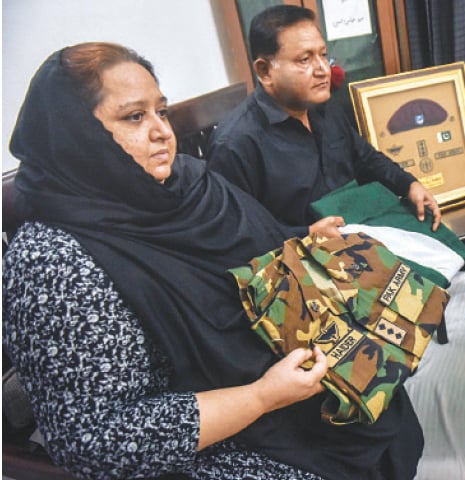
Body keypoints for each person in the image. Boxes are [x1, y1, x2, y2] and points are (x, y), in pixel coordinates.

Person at [3, 42, 423, 480]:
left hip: (282, 377)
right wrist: (261, 396)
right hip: (201, 444)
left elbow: (257, 248)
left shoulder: (188, 186)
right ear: (73, 136)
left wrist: (304, 238)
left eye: (160, 112)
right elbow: (96, 440)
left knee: (378, 399)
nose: (162, 131)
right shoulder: (51, 261)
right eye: (133, 117)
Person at [206, 5, 442, 237]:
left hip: (359, 233)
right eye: (304, 60)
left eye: (323, 55)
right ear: (265, 71)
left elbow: (366, 159)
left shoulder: (323, 106)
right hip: (298, 258)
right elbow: (235, 232)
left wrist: (409, 184)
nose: (323, 70)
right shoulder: (235, 143)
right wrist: (307, 234)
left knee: (447, 250)